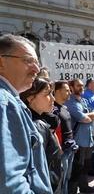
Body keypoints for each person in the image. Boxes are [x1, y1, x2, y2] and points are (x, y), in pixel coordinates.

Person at [0, 34, 52, 193]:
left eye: (37, 62)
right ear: (1, 61)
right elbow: (10, 183)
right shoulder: (5, 103)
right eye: (28, 61)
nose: (37, 69)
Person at [20, 78, 62, 193]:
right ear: (30, 97)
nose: (53, 99)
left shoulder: (33, 121)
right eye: (47, 94)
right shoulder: (37, 126)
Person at [65, 79, 94, 194]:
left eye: (82, 85)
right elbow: (83, 118)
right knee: (76, 168)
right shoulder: (70, 102)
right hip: (78, 141)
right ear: (72, 88)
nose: (81, 87)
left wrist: (89, 115)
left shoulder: (84, 100)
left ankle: (84, 188)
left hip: (88, 139)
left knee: (86, 166)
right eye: (78, 85)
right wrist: (90, 116)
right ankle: (72, 191)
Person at [53, 80, 78, 194]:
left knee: (66, 179)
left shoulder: (64, 108)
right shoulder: (53, 109)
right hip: (62, 151)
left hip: (70, 149)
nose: (70, 93)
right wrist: (60, 150)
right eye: (67, 90)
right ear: (57, 91)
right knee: (61, 182)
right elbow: (52, 132)